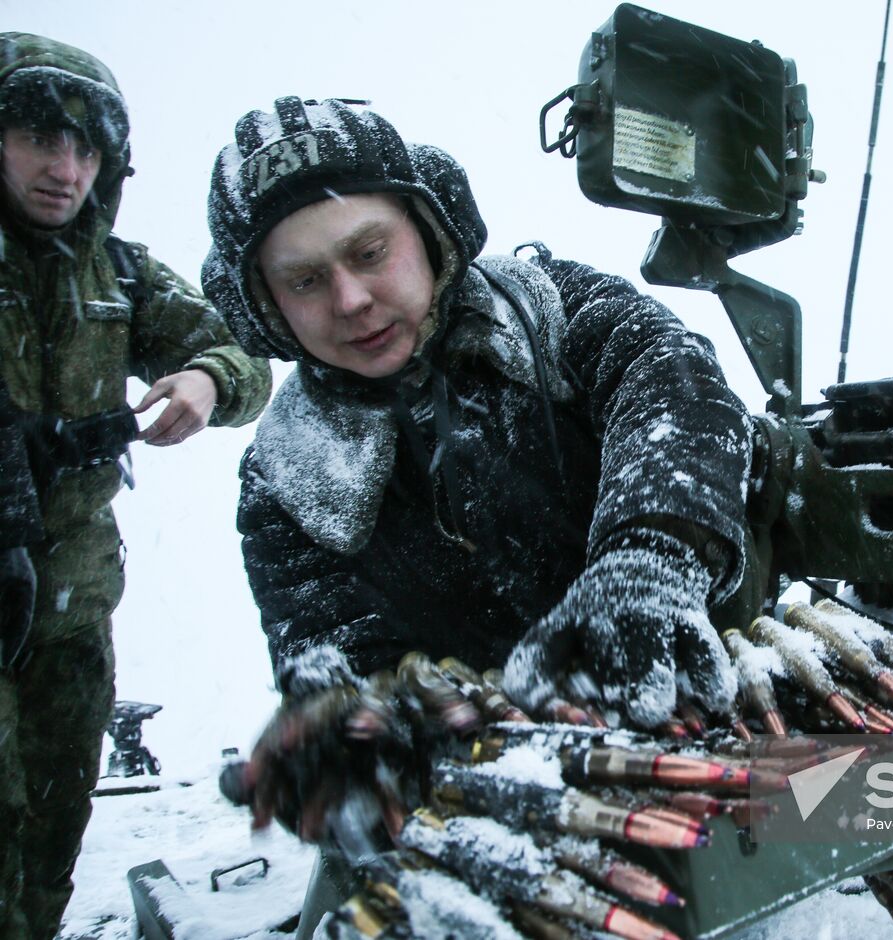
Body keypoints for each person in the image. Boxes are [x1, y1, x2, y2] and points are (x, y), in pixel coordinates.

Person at [203, 97, 749, 734]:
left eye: (370, 252)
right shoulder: (284, 481)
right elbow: (336, 661)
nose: (350, 300)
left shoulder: (557, 308)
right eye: (304, 281)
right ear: (265, 307)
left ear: (429, 227)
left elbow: (676, 391)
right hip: (510, 770)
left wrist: (650, 558)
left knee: (846, 789)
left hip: (714, 694)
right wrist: (368, 729)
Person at [0, 33, 272, 937]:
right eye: (40, 138)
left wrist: (206, 379)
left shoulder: (120, 272)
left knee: (50, 834)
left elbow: (243, 354)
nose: (65, 169)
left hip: (73, 612)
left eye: (87, 147)